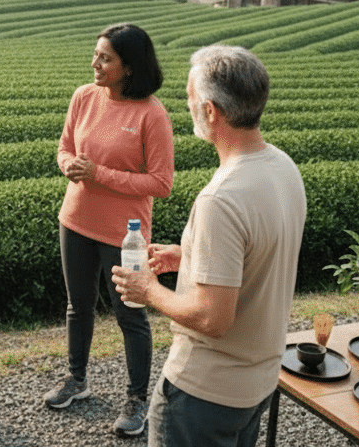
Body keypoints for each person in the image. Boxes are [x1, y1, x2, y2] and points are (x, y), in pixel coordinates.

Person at [111, 45, 306, 447]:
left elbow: (213, 319)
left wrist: (147, 290)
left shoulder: (221, 199)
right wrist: (190, 256)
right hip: (258, 383)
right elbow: (263, 250)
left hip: (205, 393)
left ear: (211, 112)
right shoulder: (283, 167)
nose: (186, 105)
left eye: (189, 97)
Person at [45, 23, 174, 438]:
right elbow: (65, 147)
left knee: (130, 314)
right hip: (76, 220)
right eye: (96, 54)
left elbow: (161, 183)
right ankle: (76, 379)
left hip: (126, 233)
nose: (95, 63)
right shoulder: (83, 96)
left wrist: (99, 174)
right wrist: (68, 165)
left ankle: (138, 399)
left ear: (129, 68)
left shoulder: (151, 114)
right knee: (77, 305)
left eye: (106, 58)